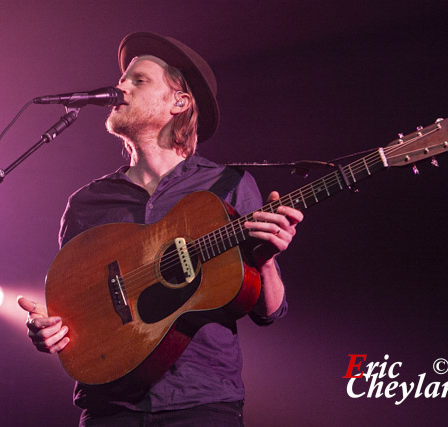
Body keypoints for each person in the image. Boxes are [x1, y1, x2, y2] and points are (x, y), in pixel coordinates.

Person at [18, 32, 303, 426]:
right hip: (109, 408)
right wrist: (49, 330)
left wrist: (266, 262)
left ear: (179, 102)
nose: (121, 87)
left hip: (200, 403)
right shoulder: (87, 202)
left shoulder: (228, 186)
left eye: (139, 80)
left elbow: (268, 312)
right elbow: (72, 306)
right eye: (123, 80)